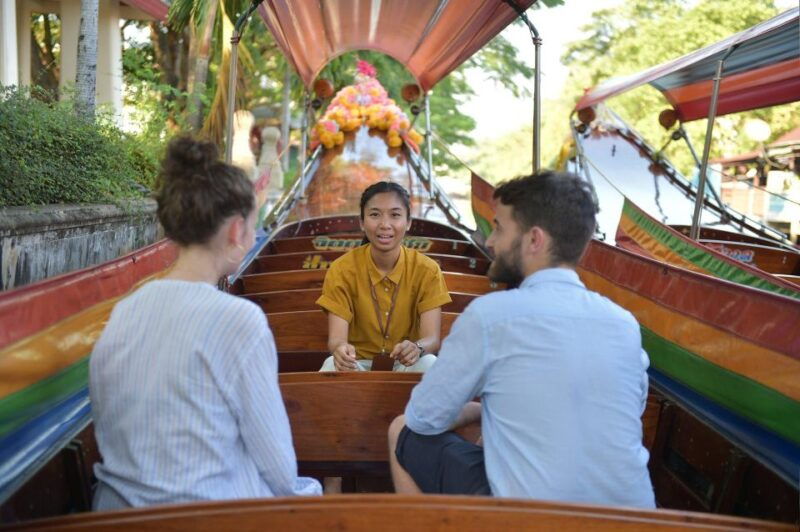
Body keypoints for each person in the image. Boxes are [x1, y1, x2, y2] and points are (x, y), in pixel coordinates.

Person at [387, 172, 656, 508]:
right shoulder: (624, 324)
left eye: (499, 228)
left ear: (534, 240)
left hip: (532, 519)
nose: (490, 242)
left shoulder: (490, 317)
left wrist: (477, 411)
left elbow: (425, 419)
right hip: (635, 520)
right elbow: (628, 410)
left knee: (402, 430)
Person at [90, 137, 321, 510]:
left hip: (116, 512)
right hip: (203, 513)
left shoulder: (124, 310)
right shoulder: (239, 320)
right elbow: (279, 466)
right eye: (252, 226)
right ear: (235, 231)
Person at [316, 181, 452, 372]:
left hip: (406, 363)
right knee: (332, 364)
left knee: (430, 363)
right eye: (375, 215)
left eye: (395, 215)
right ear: (362, 222)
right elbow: (337, 339)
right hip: (357, 364)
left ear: (408, 222)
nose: (385, 225)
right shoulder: (341, 269)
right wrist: (340, 349)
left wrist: (417, 348)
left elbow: (432, 339)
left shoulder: (428, 270)